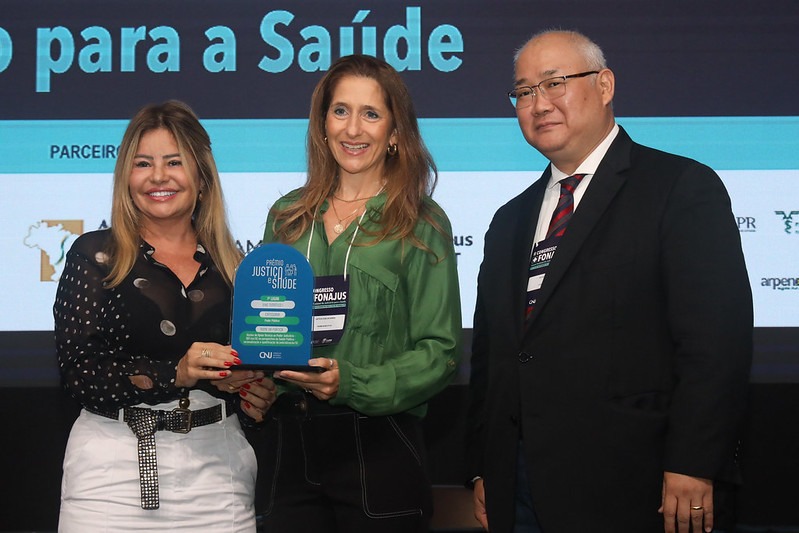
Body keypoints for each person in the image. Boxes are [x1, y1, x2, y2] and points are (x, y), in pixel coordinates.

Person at [465, 30, 753, 533]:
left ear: (604, 85)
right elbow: (494, 356)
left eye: (554, 83)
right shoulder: (509, 221)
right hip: (521, 485)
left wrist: (694, 460)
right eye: (524, 91)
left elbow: (716, 343)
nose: (538, 104)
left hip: (639, 485)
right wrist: (486, 465)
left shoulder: (679, 188)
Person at [244, 54, 462, 532]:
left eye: (371, 113)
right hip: (288, 444)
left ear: (395, 131)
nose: (353, 129)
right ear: (322, 124)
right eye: (340, 111)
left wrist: (353, 382)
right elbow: (268, 330)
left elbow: (440, 353)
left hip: (379, 444)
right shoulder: (287, 216)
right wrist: (256, 383)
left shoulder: (421, 223)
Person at [54, 100, 274, 532]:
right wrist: (176, 371)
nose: (158, 177)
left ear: (202, 177)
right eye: (143, 163)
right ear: (126, 177)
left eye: (174, 162)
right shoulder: (95, 255)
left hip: (219, 474)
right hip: (109, 475)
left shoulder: (239, 269)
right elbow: (78, 374)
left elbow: (245, 377)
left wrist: (254, 395)